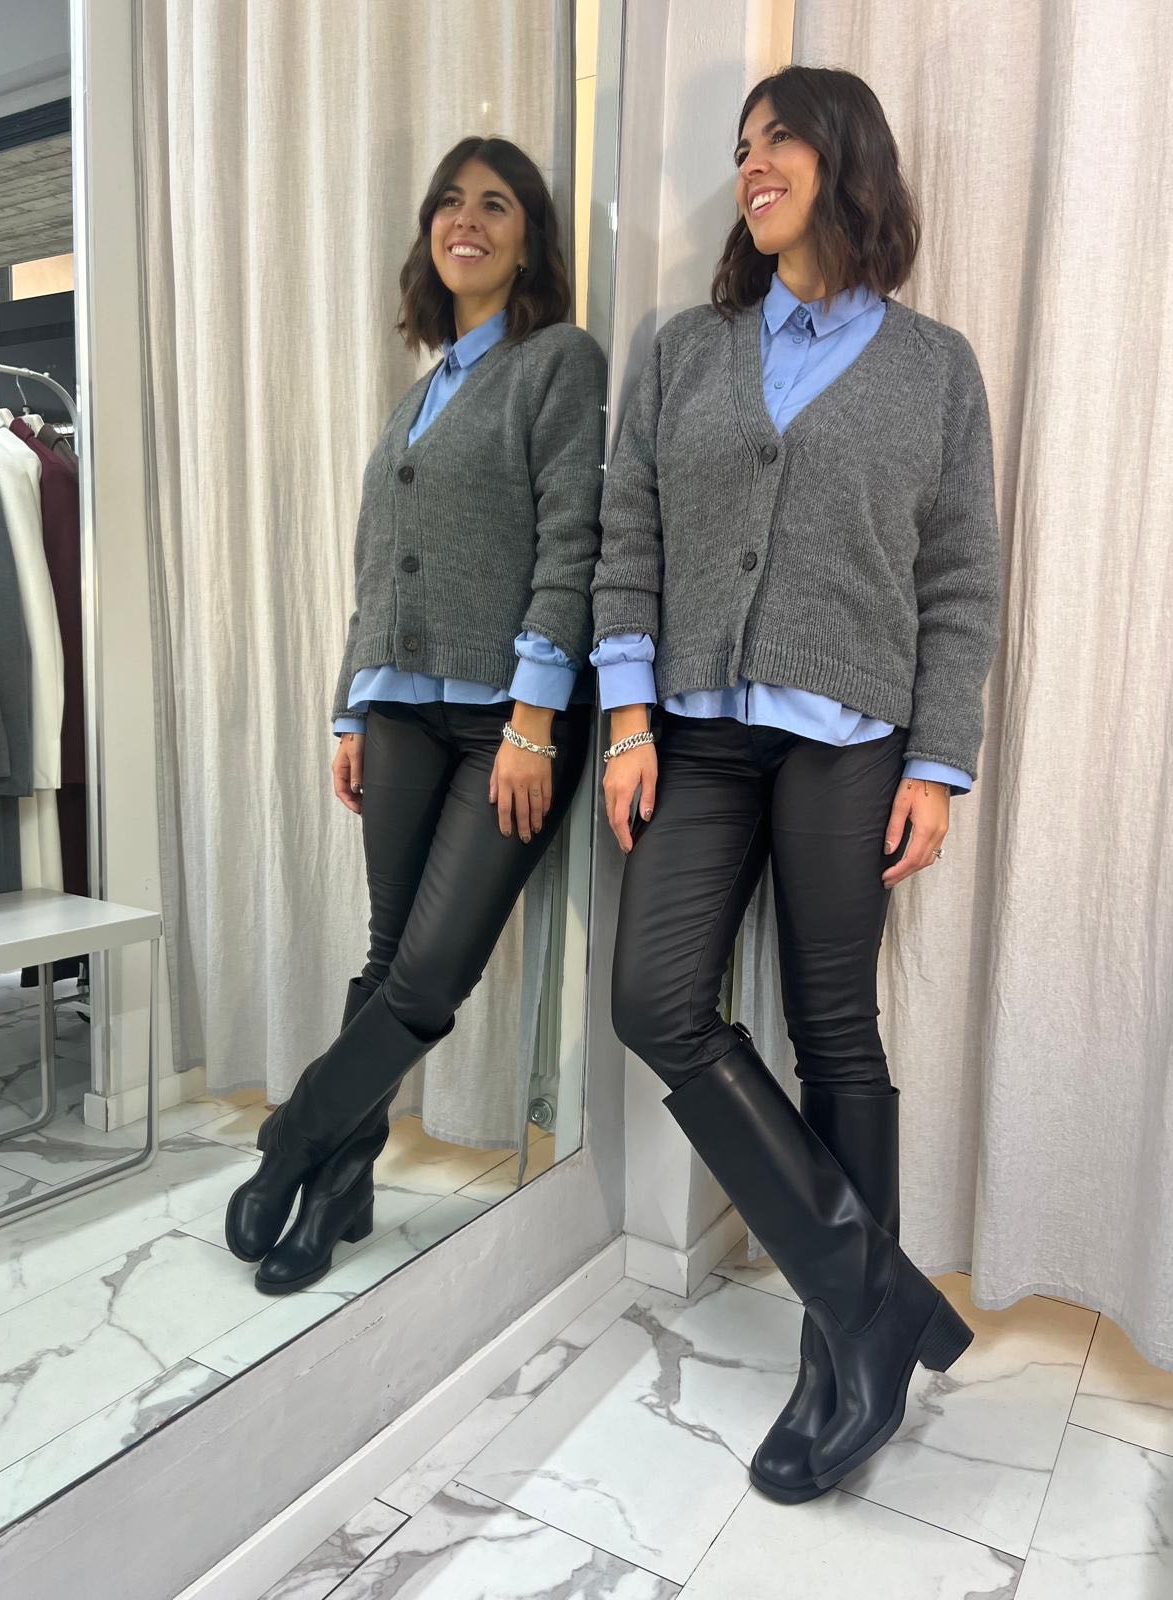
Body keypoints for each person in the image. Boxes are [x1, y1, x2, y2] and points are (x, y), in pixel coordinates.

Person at [591, 65, 1001, 1503]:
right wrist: (627, 716)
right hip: (696, 732)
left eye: (780, 141)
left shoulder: (936, 367)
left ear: (847, 159)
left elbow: (961, 579)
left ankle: (845, 1364)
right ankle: (872, 1303)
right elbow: (628, 531)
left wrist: (937, 762)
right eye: (741, 145)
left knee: (836, 1030)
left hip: (852, 739)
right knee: (657, 1001)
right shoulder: (686, 351)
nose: (752, 164)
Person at [226, 136, 606, 1296]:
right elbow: (372, 571)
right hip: (396, 707)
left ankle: (295, 1137)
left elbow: (572, 543)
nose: (466, 220)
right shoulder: (420, 395)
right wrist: (351, 706)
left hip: (508, 721)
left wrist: (534, 721)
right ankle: (341, 1191)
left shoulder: (558, 363)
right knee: (387, 955)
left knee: (429, 976)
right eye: (449, 202)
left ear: (529, 240)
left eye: (495, 204)